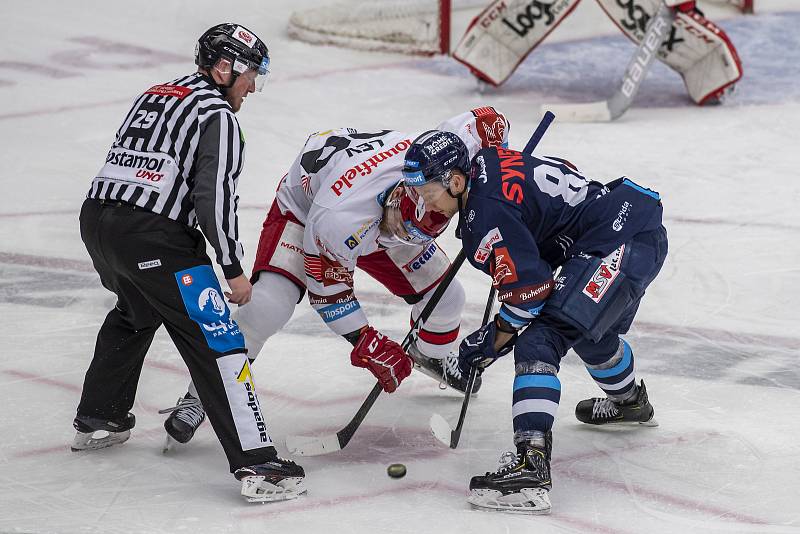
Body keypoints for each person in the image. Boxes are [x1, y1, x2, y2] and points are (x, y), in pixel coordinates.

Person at [162, 107, 511, 447]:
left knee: (448, 299)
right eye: (402, 229)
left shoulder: (443, 157)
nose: (401, 239)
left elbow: (489, 121)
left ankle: (430, 355)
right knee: (267, 307)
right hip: (305, 208)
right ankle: (200, 393)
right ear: (398, 202)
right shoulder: (336, 219)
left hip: (375, 204)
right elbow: (329, 294)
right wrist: (367, 342)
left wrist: (496, 174)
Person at [73, 23, 305, 503]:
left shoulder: (156, 92)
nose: (253, 87)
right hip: (155, 234)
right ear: (224, 68)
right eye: (249, 74)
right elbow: (212, 199)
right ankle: (258, 464)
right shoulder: (217, 115)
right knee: (218, 339)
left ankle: (101, 417)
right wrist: (233, 269)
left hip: (98, 221)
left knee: (133, 313)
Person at [394, 130, 667, 514]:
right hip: (628, 227)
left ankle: (531, 467)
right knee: (588, 332)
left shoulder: (483, 217)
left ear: (456, 182)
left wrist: (488, 343)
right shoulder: (486, 163)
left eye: (427, 193)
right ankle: (630, 402)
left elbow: (531, 292)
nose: (424, 203)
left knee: (540, 342)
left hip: (615, 243)